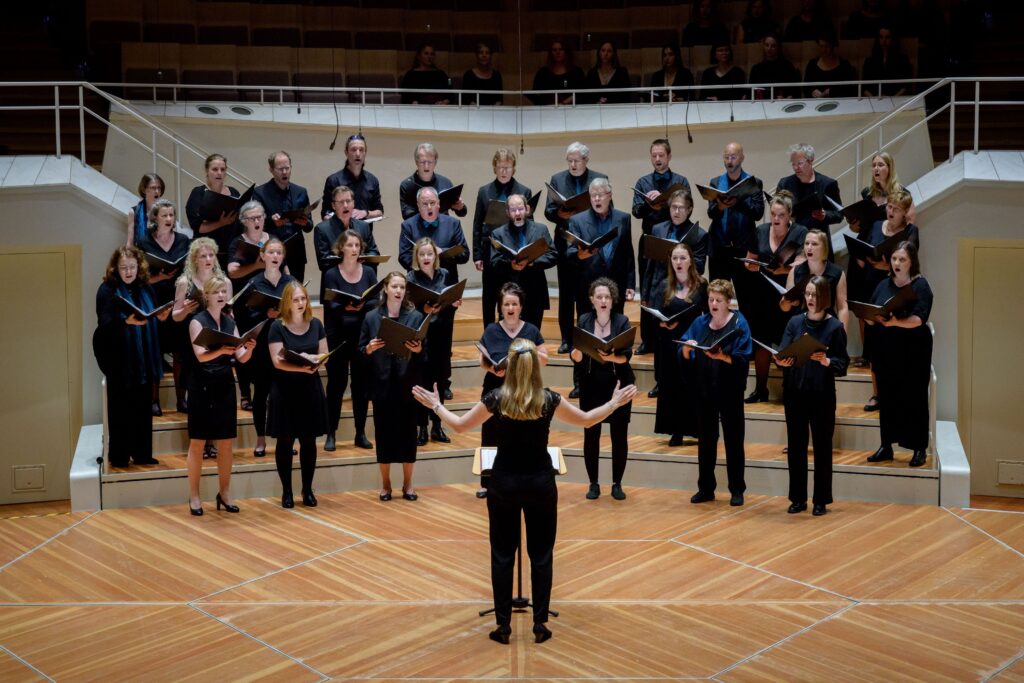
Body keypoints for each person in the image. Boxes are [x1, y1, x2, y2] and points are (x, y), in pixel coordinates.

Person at [412, 338, 637, 644]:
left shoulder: (496, 398)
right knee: (541, 555)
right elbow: (586, 421)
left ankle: (503, 625)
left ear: (510, 367)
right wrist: (614, 403)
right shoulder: (548, 399)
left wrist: (435, 405)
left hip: (503, 483)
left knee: (502, 555)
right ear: (535, 369)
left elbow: (461, 426)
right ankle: (540, 623)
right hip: (540, 483)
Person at [774, 275, 849, 516]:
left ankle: (820, 500)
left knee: (822, 447)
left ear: (825, 297)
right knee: (796, 447)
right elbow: (783, 353)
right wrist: (782, 361)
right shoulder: (794, 323)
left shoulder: (835, 327)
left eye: (815, 295)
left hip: (822, 396)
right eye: (807, 294)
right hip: (795, 393)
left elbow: (842, 363)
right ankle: (798, 498)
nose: (810, 299)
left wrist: (827, 361)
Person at [186, 275, 256, 515]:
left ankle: (224, 492)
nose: (221, 295)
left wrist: (249, 349)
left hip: (225, 384)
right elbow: (200, 355)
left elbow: (241, 357)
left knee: (225, 443)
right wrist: (223, 350)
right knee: (197, 443)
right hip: (201, 385)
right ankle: (194, 496)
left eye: (224, 292)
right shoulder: (197, 321)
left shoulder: (229, 322)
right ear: (206, 295)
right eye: (216, 292)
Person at [680, 279, 753, 506]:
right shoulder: (700, 323)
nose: (713, 304)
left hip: (730, 389)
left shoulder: (740, 324)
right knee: (707, 440)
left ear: (728, 302)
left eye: (718, 300)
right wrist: (685, 348)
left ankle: (737, 489)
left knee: (733, 440)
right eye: (711, 299)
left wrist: (722, 356)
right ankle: (706, 488)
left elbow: (743, 359)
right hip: (705, 388)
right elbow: (683, 352)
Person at [93, 246, 167, 467]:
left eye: (132, 267)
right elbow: (104, 323)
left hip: (143, 357)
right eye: (123, 267)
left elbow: (151, 318)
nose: (128, 272)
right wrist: (126, 322)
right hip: (118, 359)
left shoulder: (145, 288)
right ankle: (119, 456)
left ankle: (142, 454)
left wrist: (160, 317)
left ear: (139, 267)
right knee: (120, 410)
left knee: (143, 408)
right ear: (115, 268)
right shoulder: (107, 289)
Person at [475, 282, 548, 497]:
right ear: (501, 306)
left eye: (514, 304)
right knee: (489, 433)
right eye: (506, 304)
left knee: (520, 434)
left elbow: (545, 359)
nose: (510, 308)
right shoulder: (491, 329)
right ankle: (486, 483)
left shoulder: (531, 330)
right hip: (495, 386)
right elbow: (482, 360)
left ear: (521, 307)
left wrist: (531, 350)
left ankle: (522, 478)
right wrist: (491, 368)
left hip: (523, 389)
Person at [849, 188, 919, 409]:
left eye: (896, 209)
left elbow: (911, 256)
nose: (890, 211)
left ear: (905, 212)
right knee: (874, 345)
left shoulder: (910, 230)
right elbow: (863, 249)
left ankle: (897, 395)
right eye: (889, 206)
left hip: (896, 288)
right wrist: (864, 258)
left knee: (897, 345)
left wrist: (886, 264)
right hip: (872, 285)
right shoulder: (875, 226)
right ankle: (876, 394)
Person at [864, 242, 933, 468]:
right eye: (894, 259)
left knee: (914, 397)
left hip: (913, 351)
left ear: (911, 261)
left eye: (902, 259)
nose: (896, 263)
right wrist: (869, 316)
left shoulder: (921, 286)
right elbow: (872, 312)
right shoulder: (883, 284)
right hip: (886, 347)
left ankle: (918, 448)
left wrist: (896, 321)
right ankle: (886, 445)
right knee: (888, 395)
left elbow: (919, 319)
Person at [359, 272, 426, 501]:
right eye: (394, 286)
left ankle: (408, 484)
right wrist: (368, 349)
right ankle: (386, 485)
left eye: (401, 287)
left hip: (407, 383)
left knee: (408, 434)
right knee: (384, 434)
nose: (398, 290)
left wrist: (418, 350)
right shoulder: (371, 317)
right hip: (382, 383)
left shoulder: (415, 316)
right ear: (386, 289)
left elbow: (424, 352)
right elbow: (360, 352)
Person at [570, 278, 636, 500]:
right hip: (591, 385)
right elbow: (576, 355)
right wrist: (576, 354)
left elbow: (626, 356)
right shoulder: (584, 321)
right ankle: (593, 483)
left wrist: (611, 356)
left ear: (613, 300)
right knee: (591, 434)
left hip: (618, 384)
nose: (603, 300)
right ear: (592, 300)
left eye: (607, 296)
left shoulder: (622, 321)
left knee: (619, 436)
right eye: (599, 297)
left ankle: (617, 483)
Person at [267, 281, 329, 508]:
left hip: (309, 389)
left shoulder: (316, 324)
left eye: (303, 298)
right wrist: (301, 366)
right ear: (287, 302)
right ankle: (287, 491)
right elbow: (277, 361)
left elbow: (325, 354)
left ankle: (306, 489)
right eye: (296, 299)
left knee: (309, 440)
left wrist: (315, 361)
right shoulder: (277, 327)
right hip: (284, 390)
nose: (301, 303)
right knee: (285, 440)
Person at [742, 190, 807, 403]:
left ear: (789, 215)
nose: (776, 219)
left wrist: (784, 271)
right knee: (761, 341)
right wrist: (750, 265)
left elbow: (803, 261)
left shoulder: (799, 232)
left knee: (787, 341)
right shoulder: (760, 231)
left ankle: (790, 389)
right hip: (761, 293)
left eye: (781, 215)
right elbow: (749, 259)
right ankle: (761, 389)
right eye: (773, 214)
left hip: (787, 294)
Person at [545, 142, 608, 356]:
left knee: (587, 293)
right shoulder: (557, 179)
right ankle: (566, 339)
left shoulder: (599, 179)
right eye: (569, 160)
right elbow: (548, 211)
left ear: (586, 160)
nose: (572, 164)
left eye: (577, 160)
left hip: (590, 245)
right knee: (566, 295)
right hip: (566, 244)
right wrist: (559, 214)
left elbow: (608, 208)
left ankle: (586, 335)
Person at [173, 238, 231, 458]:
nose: (208, 260)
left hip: (216, 338)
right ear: (194, 259)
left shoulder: (223, 281)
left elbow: (230, 311)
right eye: (203, 256)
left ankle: (212, 442)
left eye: (211, 255)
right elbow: (175, 316)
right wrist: (185, 310)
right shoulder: (184, 282)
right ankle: (200, 442)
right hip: (193, 339)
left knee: (216, 393)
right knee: (199, 395)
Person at [633, 139, 691, 355]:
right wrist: (649, 204)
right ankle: (647, 339)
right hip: (650, 239)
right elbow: (636, 211)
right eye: (654, 155)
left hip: (676, 240)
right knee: (648, 289)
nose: (657, 159)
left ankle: (673, 334)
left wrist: (666, 203)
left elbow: (687, 209)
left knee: (675, 287)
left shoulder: (680, 181)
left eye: (661, 155)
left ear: (669, 156)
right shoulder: (643, 182)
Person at [321, 230, 376, 453]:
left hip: (361, 336)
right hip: (338, 336)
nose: (354, 249)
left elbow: (374, 301)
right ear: (341, 248)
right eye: (350, 245)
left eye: (357, 245)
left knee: (361, 387)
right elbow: (329, 304)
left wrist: (363, 305)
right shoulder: (332, 273)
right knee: (336, 385)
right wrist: (346, 306)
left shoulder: (369, 272)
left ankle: (360, 432)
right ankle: (331, 433)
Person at [136, 198, 189, 415]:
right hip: (154, 300)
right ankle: (154, 400)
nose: (169, 219)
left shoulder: (184, 240)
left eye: (171, 215)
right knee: (154, 351)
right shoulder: (144, 242)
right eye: (164, 215)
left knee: (180, 352)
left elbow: (189, 270)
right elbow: (138, 277)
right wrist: (158, 277)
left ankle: (181, 399)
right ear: (154, 219)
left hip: (177, 299)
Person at [651, 243, 708, 446]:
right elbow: (655, 315)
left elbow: (708, 316)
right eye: (675, 258)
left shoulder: (702, 285)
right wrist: (662, 323)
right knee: (672, 386)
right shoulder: (664, 285)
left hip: (692, 343)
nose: (678, 262)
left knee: (692, 386)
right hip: (669, 343)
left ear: (691, 260)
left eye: (682, 258)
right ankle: (676, 430)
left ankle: (698, 429)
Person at [243, 238, 295, 459]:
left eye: (279, 253)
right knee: (261, 393)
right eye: (271, 252)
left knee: (285, 394)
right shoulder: (253, 283)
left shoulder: (290, 282)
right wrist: (266, 314)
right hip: (263, 346)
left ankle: (286, 438)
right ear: (262, 256)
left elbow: (299, 311)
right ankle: (261, 438)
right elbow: (245, 315)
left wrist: (283, 313)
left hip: (285, 345)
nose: (275, 256)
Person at [407, 237, 461, 445]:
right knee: (423, 381)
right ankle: (422, 427)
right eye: (422, 254)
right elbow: (408, 309)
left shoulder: (444, 274)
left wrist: (453, 303)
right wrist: (424, 309)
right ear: (417, 258)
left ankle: (437, 426)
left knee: (439, 380)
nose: (426, 257)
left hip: (442, 334)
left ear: (435, 256)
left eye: (430, 254)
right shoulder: (411, 277)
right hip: (423, 337)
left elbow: (449, 299)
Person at [473, 148, 533, 327]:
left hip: (514, 252)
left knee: (511, 294)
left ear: (513, 168)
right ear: (494, 168)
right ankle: (489, 334)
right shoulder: (484, 191)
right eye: (500, 167)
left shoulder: (524, 191)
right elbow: (477, 225)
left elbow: (531, 226)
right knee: (489, 296)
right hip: (490, 251)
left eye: (507, 167)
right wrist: (477, 255)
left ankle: (511, 330)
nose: (503, 171)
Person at [567, 178, 635, 319]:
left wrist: (631, 284)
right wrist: (580, 255)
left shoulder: (623, 218)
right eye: (593, 195)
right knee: (586, 327)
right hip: (587, 286)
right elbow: (570, 252)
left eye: (601, 195)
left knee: (615, 326)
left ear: (609, 195)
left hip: (616, 285)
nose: (596, 199)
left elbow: (628, 253)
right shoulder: (577, 220)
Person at [227, 200, 272, 413]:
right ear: (244, 221)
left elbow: (285, 268)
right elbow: (232, 272)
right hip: (246, 305)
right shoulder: (238, 242)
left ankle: (266, 391)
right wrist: (255, 265)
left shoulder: (272, 240)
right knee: (246, 347)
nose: (257, 221)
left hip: (269, 303)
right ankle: (245, 393)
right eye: (252, 218)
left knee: (266, 349)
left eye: (260, 217)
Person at [489, 194, 557, 329]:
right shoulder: (498, 234)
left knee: (533, 332)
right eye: (513, 210)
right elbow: (494, 262)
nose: (517, 213)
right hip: (510, 291)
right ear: (507, 212)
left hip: (535, 290)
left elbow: (553, 254)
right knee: (509, 332)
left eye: (520, 209)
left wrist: (533, 262)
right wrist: (511, 265)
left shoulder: (540, 229)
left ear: (527, 209)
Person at [706, 142, 765, 283]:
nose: (729, 161)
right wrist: (720, 206)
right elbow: (711, 214)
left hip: (744, 249)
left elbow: (758, 214)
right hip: (719, 248)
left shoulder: (754, 183)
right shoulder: (715, 182)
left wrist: (738, 202)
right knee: (718, 292)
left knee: (746, 295)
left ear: (742, 158)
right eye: (726, 157)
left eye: (733, 157)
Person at [253, 150, 312, 282]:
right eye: (280, 169)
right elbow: (255, 225)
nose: (285, 172)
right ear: (271, 170)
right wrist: (272, 222)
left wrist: (305, 223)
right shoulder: (260, 193)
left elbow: (309, 225)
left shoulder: (300, 191)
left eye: (287, 168)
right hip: (272, 253)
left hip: (296, 253)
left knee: (295, 292)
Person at [313, 185, 381, 300]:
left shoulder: (363, 226)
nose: (345, 205)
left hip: (362, 286)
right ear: (333, 205)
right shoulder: (322, 229)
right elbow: (323, 262)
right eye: (341, 202)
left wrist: (361, 258)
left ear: (353, 203)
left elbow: (374, 252)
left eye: (348, 201)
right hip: (336, 289)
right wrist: (350, 260)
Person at [398, 186, 471, 288]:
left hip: (447, 283)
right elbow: (403, 257)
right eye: (424, 204)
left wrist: (443, 252)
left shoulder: (453, 223)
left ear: (438, 204)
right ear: (418, 206)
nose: (429, 207)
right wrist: (424, 261)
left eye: (432, 203)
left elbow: (464, 254)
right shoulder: (408, 226)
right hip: (419, 285)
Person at [783, 229, 849, 330]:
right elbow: (785, 308)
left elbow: (842, 308)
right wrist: (787, 301)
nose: (809, 247)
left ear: (824, 247)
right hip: (801, 326)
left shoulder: (837, 273)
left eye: (814, 244)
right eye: (806, 243)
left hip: (826, 326)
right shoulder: (795, 271)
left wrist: (842, 336)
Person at [184, 153, 241, 270]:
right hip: (206, 251)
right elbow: (197, 226)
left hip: (229, 251)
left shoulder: (234, 192)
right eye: (215, 169)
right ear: (207, 171)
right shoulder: (198, 193)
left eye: (222, 169)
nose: (219, 172)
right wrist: (221, 223)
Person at [776, 143, 843, 235]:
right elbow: (777, 209)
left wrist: (825, 215)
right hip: (792, 238)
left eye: (800, 163)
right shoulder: (785, 183)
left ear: (811, 160)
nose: (796, 168)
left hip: (818, 238)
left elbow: (839, 215)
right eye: (793, 164)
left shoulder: (828, 184)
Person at [320, 133, 383, 222]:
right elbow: (325, 214)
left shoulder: (373, 180)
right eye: (353, 150)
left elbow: (380, 211)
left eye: (361, 150)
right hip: (340, 233)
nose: (358, 154)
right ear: (346, 152)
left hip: (364, 233)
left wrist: (366, 213)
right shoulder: (333, 180)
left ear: (365, 153)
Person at [398, 142, 467, 220]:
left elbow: (462, 213)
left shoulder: (445, 182)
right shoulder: (407, 186)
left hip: (442, 229)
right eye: (422, 162)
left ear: (435, 162)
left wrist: (460, 207)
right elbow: (407, 216)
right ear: (416, 162)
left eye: (430, 162)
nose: (426, 166)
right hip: (417, 230)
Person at [529, 38, 585, 106]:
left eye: (561, 49)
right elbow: (536, 94)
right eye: (554, 50)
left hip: (571, 110)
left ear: (566, 52)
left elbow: (581, 93)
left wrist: (563, 103)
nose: (557, 52)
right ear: (551, 53)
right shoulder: (543, 73)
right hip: (548, 110)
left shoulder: (576, 72)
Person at [862, 26, 913, 97]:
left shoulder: (902, 60)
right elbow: (864, 87)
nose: (884, 41)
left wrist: (892, 99)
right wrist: (875, 99)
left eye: (887, 37)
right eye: (881, 37)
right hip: (874, 101)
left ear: (893, 39)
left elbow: (907, 85)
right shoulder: (869, 61)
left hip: (896, 101)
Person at [804, 32, 858, 99]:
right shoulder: (812, 65)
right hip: (816, 104)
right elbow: (805, 88)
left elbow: (850, 90)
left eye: (827, 46)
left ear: (833, 46)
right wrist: (812, 91)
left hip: (839, 104)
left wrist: (832, 92)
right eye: (821, 46)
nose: (824, 50)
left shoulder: (844, 65)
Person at [748, 33, 801, 99]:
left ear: (778, 48)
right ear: (763, 46)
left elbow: (795, 90)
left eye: (773, 46)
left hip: (782, 105)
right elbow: (750, 92)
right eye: (767, 45)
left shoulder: (787, 66)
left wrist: (787, 98)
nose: (769, 49)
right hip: (761, 105)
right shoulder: (756, 69)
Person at [126, 173, 164, 246]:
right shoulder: (133, 212)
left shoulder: (166, 212)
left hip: (161, 255)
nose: (157, 191)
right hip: (140, 254)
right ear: (144, 190)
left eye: (159, 188)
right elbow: (130, 241)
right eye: (153, 188)